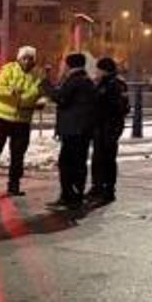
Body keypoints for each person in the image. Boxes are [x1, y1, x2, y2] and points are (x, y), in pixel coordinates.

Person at [0, 46, 46, 197]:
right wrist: (11, 91)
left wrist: (42, 101)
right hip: (2, 118)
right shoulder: (8, 70)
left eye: (30, 58)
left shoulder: (38, 75)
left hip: (22, 121)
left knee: (18, 154)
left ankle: (14, 185)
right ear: (19, 58)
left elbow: (42, 93)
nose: (27, 61)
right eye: (25, 57)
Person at [47, 52, 97, 212]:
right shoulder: (86, 80)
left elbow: (60, 97)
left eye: (64, 63)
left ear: (69, 65)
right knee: (78, 163)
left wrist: (45, 84)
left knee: (68, 163)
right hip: (82, 129)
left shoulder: (75, 81)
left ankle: (70, 196)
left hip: (73, 130)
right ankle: (74, 195)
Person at [87, 57, 129, 204]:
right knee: (98, 157)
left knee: (107, 159)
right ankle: (97, 187)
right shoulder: (108, 83)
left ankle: (108, 190)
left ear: (104, 70)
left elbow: (115, 107)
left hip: (109, 126)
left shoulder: (113, 84)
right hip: (103, 126)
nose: (96, 72)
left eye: (98, 69)